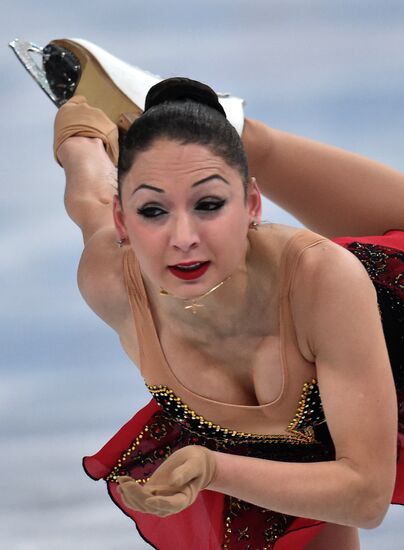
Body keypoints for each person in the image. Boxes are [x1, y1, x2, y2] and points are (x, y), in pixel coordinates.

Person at [21, 38, 404, 549]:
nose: (183, 238)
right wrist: (80, 134)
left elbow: (365, 495)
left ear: (251, 205)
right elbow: (88, 192)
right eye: (152, 211)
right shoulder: (112, 280)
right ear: (123, 220)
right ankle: (186, 141)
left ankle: (237, 133)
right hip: (287, 440)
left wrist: (211, 467)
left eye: (209, 204)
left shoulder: (323, 278)